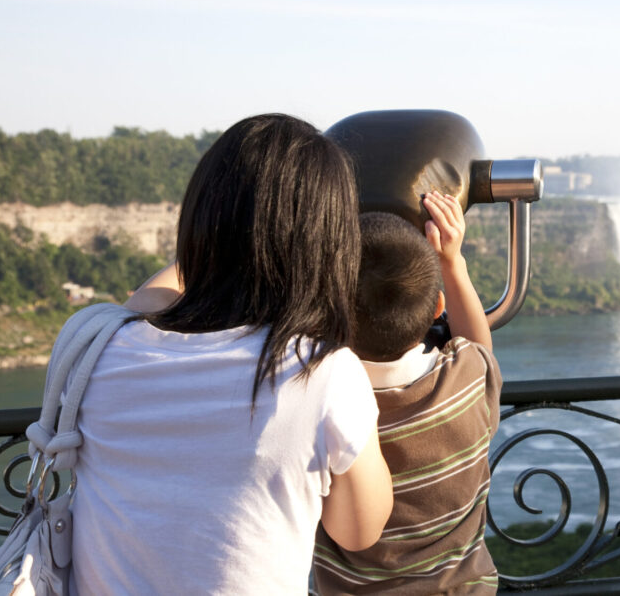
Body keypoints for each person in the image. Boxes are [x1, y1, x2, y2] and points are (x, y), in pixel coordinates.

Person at [68, 113, 393, 594]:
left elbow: (143, 302)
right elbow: (359, 531)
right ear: (328, 243)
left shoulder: (99, 345)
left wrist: (219, 248)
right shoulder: (321, 372)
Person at [312, 190, 502, 595]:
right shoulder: (467, 379)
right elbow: (480, 346)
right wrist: (452, 262)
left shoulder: (319, 405)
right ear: (437, 308)